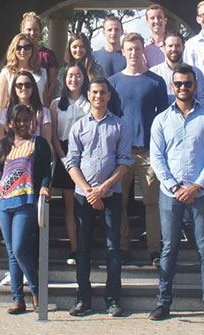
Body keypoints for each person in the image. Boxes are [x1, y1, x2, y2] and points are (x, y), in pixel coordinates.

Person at [148, 64, 204, 322]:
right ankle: (163, 303)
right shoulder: (161, 120)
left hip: (201, 193)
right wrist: (174, 187)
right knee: (169, 249)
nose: (183, 88)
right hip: (170, 193)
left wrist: (196, 186)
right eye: (178, 84)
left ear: (196, 86)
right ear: (172, 86)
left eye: (188, 84)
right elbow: (157, 158)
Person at [63, 77, 132, 317]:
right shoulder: (79, 127)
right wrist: (89, 190)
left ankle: (113, 299)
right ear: (89, 95)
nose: (98, 96)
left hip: (111, 195)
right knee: (83, 248)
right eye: (94, 92)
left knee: (113, 248)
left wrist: (103, 188)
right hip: (84, 197)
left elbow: (124, 162)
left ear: (109, 95)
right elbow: (71, 163)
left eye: (103, 92)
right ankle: (83, 299)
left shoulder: (121, 126)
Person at [108, 32, 169, 266]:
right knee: (120, 202)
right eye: (129, 49)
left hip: (149, 153)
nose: (133, 53)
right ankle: (123, 247)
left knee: (152, 202)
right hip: (121, 153)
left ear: (143, 50)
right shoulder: (113, 82)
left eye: (137, 48)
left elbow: (163, 119)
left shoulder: (156, 82)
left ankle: (154, 248)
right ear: (123, 51)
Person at [0, 104, 52, 314]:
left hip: (26, 201)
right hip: (3, 202)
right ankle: (18, 299)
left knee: (19, 248)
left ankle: (37, 292)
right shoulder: (3, 146)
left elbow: (46, 170)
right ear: (11, 123)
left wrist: (45, 186)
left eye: (26, 120)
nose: (23, 124)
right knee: (11, 253)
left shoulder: (39, 143)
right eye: (18, 121)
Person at [50, 62, 91, 265]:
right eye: (70, 76)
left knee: (86, 204)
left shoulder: (91, 102)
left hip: (88, 156)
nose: (74, 79)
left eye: (78, 76)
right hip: (65, 155)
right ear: (64, 80)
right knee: (70, 206)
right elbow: (54, 135)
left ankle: (86, 247)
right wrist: (63, 158)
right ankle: (75, 248)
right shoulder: (56, 103)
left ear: (84, 78)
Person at [150, 32, 204, 105]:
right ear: (164, 47)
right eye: (170, 46)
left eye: (177, 46)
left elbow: (203, 101)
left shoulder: (196, 72)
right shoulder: (154, 73)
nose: (174, 49)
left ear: (183, 47)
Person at [0, 33, 47, 115]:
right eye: (18, 48)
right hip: (14, 120)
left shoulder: (42, 72)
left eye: (27, 47)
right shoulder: (6, 73)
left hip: (38, 119)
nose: (23, 51)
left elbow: (45, 101)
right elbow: (0, 107)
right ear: (13, 50)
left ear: (32, 49)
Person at [0, 71, 51, 145]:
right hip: (12, 154)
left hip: (35, 152)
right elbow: (0, 142)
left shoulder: (43, 111)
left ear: (33, 87)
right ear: (14, 88)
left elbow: (46, 142)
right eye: (19, 85)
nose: (23, 88)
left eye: (27, 85)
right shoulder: (5, 113)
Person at [20, 12, 59, 103]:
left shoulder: (48, 55)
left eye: (35, 30)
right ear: (22, 30)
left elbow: (52, 86)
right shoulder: (17, 54)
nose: (32, 33)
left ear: (40, 31)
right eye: (29, 30)